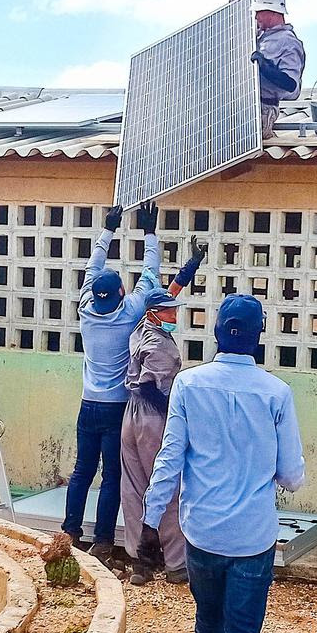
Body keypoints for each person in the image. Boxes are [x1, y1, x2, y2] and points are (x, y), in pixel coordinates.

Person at [140, 293, 305, 633]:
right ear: (259, 337)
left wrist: (150, 523)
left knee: (207, 614)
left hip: (203, 530)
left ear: (215, 333)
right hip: (253, 537)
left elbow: (170, 457)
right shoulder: (276, 394)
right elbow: (293, 476)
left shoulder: (189, 385)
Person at [65, 200, 168, 563]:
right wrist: (150, 232)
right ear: (121, 293)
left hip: (87, 404)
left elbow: (91, 268)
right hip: (116, 408)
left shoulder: (84, 310)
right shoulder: (129, 314)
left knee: (81, 470)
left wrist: (108, 227)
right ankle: (104, 541)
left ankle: (70, 532)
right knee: (112, 476)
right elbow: (151, 275)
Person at [119, 239, 207, 586]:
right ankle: (175, 563)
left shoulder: (140, 326)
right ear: (156, 314)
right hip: (153, 416)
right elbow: (150, 388)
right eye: (169, 312)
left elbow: (170, 291)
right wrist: (178, 415)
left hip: (130, 417)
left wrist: (191, 265)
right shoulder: (159, 346)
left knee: (135, 485)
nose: (175, 315)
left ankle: (139, 561)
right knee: (168, 486)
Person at [250, 0, 304, 140]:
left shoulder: (288, 42)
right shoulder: (259, 34)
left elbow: (291, 84)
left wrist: (266, 67)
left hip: (263, 110)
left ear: (273, 13)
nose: (256, 16)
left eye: (259, 12)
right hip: (245, 106)